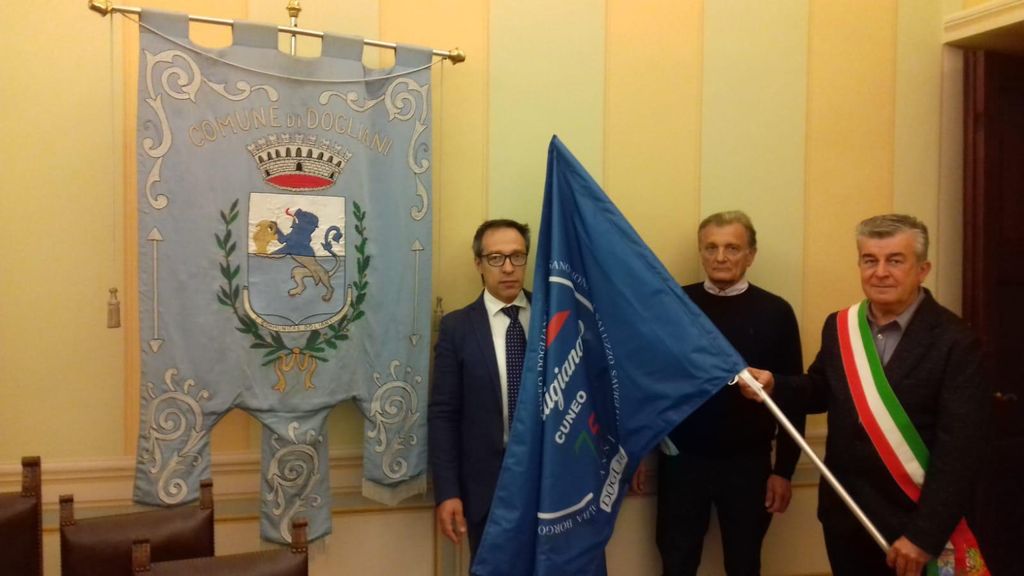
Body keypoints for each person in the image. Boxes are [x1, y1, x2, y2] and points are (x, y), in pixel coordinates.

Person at [743, 214, 989, 576]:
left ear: (923, 270)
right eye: (870, 260)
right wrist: (775, 385)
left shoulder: (956, 342)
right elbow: (822, 389)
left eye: (895, 260)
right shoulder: (840, 325)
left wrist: (924, 537)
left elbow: (961, 454)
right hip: (845, 516)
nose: (880, 272)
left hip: (911, 525)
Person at [652, 211, 804, 576]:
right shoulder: (674, 305)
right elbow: (653, 384)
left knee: (744, 563)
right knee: (676, 562)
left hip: (748, 465)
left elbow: (792, 396)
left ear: (750, 255)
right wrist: (639, 453)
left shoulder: (776, 312)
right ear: (701, 252)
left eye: (732, 248)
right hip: (681, 462)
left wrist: (784, 471)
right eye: (711, 248)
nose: (720, 257)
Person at [428, 219, 531, 557]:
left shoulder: (554, 317)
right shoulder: (457, 328)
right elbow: (444, 414)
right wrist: (448, 492)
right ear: (478, 264)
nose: (508, 268)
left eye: (517, 256)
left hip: (549, 481)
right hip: (486, 491)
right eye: (496, 258)